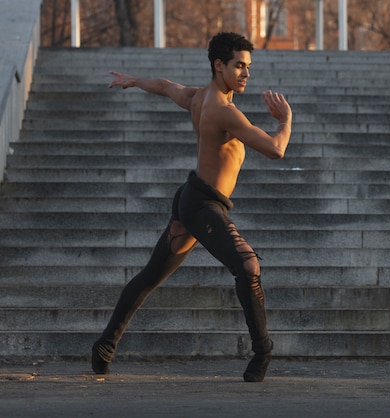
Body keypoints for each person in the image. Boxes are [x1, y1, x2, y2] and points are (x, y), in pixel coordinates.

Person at [91, 32, 292, 383]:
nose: (246, 73)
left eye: (249, 67)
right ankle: (263, 351)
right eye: (239, 66)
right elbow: (276, 149)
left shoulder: (199, 97)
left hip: (193, 196)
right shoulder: (223, 110)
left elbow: (167, 86)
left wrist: (135, 81)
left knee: (150, 275)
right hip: (202, 205)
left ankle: (104, 347)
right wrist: (285, 120)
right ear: (219, 65)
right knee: (248, 265)